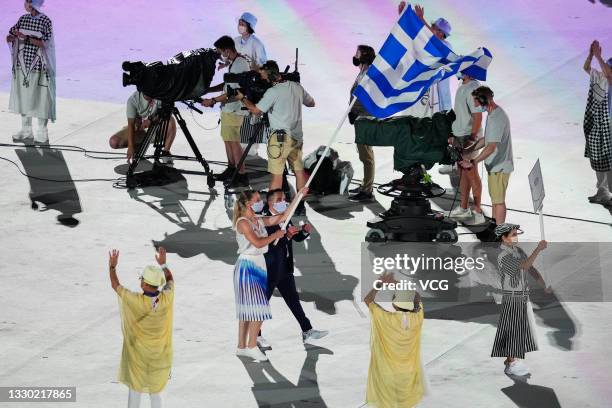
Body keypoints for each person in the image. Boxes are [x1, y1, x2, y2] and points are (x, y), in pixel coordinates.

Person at [232, 188, 308, 362]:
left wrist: (298, 196)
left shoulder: (258, 220)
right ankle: (251, 346)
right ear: (249, 204)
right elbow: (258, 243)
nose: (261, 203)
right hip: (248, 265)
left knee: (248, 310)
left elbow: (282, 217)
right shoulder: (243, 223)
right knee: (258, 309)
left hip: (258, 264)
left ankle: (241, 347)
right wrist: (277, 234)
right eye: (258, 200)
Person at [239, 61, 315, 214]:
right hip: (297, 136)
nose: (262, 77)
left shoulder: (273, 92)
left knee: (277, 175)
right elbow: (311, 103)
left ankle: (273, 208)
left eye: (262, 74)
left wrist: (242, 97)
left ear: (268, 74)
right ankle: (300, 206)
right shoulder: (296, 86)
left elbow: (256, 110)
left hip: (279, 139)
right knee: (299, 171)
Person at [256, 189, 329, 349]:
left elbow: (293, 237)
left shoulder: (285, 217)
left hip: (285, 268)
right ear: (271, 203)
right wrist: (287, 236)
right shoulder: (264, 220)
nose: (284, 202)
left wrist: (303, 233)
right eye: (280, 199)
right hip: (270, 269)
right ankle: (255, 335)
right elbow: (270, 246)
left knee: (294, 301)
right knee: (261, 304)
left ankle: (307, 330)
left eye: (284, 198)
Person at [108, 247, 174, 408]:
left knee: (135, 389)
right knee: (156, 391)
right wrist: (164, 264)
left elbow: (115, 285)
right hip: (160, 356)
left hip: (138, 357)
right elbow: (171, 279)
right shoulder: (167, 297)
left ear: (144, 284)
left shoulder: (135, 301)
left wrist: (112, 266)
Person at [491, 223, 550, 376]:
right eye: (513, 234)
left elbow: (531, 268)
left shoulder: (518, 251)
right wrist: (538, 249)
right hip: (512, 297)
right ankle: (511, 363)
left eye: (516, 234)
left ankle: (511, 359)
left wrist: (543, 284)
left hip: (522, 296)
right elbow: (524, 266)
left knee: (520, 330)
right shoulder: (503, 256)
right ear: (503, 238)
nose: (516, 237)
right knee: (513, 330)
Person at [364, 272, 426, 408]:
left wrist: (379, 285)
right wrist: (396, 283)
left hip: (388, 373)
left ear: (394, 303)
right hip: (408, 374)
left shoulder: (385, 318)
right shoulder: (417, 318)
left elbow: (368, 300)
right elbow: (417, 296)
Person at [459, 86, 514, 225]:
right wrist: (468, 150)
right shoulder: (492, 114)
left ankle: (499, 232)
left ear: (484, 100)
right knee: (495, 200)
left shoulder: (496, 118)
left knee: (498, 202)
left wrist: (474, 161)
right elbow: (486, 139)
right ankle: (495, 229)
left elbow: (491, 147)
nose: (476, 105)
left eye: (477, 102)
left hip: (499, 167)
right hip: (495, 167)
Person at [201, 35, 250, 187]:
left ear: (228, 51)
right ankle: (231, 169)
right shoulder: (234, 62)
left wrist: (213, 100)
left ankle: (241, 175)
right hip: (229, 110)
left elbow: (232, 92)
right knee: (228, 141)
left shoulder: (239, 64)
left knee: (234, 143)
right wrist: (209, 90)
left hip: (234, 111)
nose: (220, 55)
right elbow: (226, 83)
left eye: (221, 52)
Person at [8, 0, 56, 144]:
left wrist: (27, 38)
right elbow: (12, 34)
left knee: (41, 98)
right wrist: (11, 37)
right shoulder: (23, 19)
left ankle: (42, 131)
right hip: (22, 65)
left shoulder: (45, 21)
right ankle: (26, 129)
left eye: (30, 1)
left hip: (39, 65)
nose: (27, 3)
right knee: (24, 97)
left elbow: (45, 43)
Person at [448, 71, 486, 225]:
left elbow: (478, 116)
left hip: (468, 137)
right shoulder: (463, 85)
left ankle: (478, 212)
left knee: (471, 173)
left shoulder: (473, 88)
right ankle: (464, 208)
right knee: (462, 173)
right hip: (459, 136)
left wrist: (472, 138)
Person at [582, 40, 612, 206]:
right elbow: (586, 68)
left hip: (608, 125)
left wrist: (599, 55)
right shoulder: (600, 77)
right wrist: (591, 55)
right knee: (598, 159)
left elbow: (608, 75)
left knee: (608, 160)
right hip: (596, 123)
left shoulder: (609, 79)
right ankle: (602, 191)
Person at [109, 91, 175, 164]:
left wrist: (151, 120)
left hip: (156, 130)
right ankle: (138, 145)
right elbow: (131, 124)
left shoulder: (160, 93)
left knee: (171, 121)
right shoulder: (133, 100)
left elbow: (168, 111)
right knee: (114, 142)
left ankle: (166, 152)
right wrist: (131, 146)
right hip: (139, 131)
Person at [348, 45, 377, 202]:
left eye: (357, 54)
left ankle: (367, 191)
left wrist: (355, 112)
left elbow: (366, 98)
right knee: (364, 155)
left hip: (365, 118)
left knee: (366, 156)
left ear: (364, 56)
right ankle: (366, 184)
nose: (355, 56)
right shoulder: (363, 72)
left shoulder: (369, 75)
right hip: (361, 118)